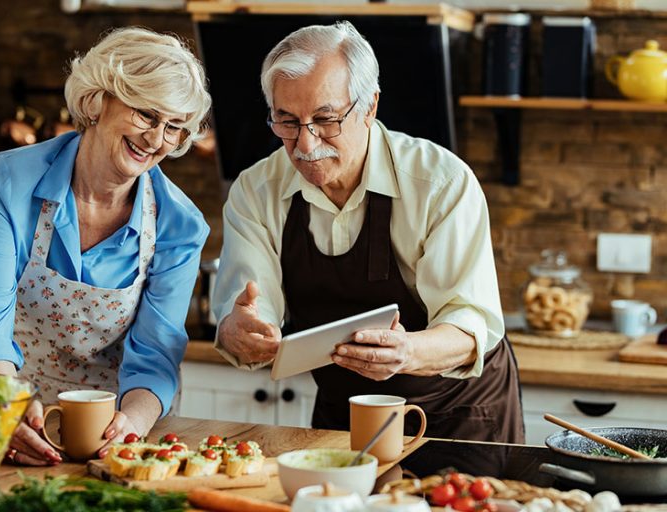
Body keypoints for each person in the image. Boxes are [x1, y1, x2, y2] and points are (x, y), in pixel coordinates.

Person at [212, 21, 524, 443]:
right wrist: (240, 332)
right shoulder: (255, 191)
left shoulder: (441, 183)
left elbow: (470, 326)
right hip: (345, 415)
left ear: (370, 106)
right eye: (287, 122)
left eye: (326, 120)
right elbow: (248, 313)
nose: (305, 145)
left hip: (459, 416)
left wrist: (408, 352)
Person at [0, 27, 211, 465]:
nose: (156, 140)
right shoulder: (8, 182)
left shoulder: (179, 225)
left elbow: (155, 355)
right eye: (147, 115)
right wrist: (5, 408)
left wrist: (130, 427)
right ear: (97, 101)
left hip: (117, 434)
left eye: (173, 127)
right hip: (18, 413)